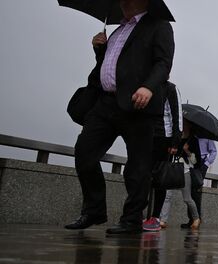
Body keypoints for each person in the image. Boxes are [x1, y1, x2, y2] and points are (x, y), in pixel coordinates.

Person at [65, 0, 175, 234]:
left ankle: (131, 219)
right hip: (105, 103)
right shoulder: (118, 30)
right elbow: (114, 65)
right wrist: (99, 50)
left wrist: (148, 87)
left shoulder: (159, 25)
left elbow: (163, 63)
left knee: (138, 166)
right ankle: (94, 210)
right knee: (84, 152)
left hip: (138, 103)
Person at [142, 82, 181, 231]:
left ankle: (155, 217)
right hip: (145, 135)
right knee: (141, 175)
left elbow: (177, 116)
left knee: (160, 179)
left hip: (163, 138)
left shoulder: (170, 88)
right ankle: (136, 213)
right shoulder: (145, 85)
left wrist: (175, 142)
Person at [155, 135, 201, 230]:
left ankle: (196, 218)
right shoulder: (174, 136)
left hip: (185, 171)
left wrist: (187, 151)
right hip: (172, 170)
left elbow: (196, 162)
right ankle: (163, 220)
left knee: (187, 198)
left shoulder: (192, 140)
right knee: (167, 195)